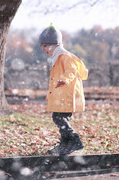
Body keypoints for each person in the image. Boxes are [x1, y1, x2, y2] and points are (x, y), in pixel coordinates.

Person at [39, 24, 88, 155]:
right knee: (60, 119)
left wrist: (65, 80)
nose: (43, 49)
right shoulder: (57, 57)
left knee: (59, 118)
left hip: (67, 96)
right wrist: (51, 96)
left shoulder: (65, 56)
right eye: (41, 46)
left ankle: (74, 140)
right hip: (61, 97)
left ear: (54, 45)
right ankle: (65, 145)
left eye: (45, 46)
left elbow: (72, 71)